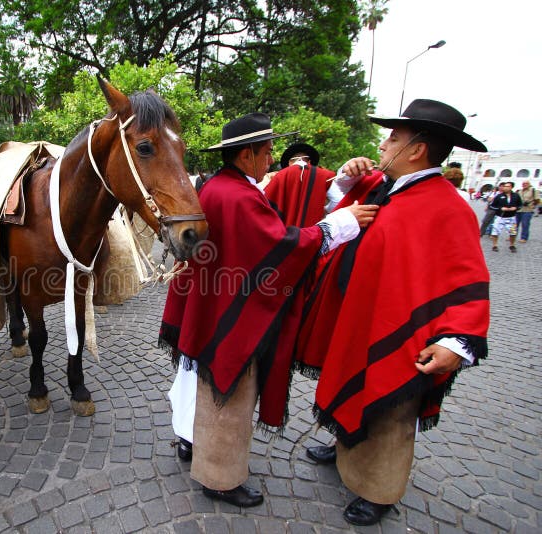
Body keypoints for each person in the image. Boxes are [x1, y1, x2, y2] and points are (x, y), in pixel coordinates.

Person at [159, 113, 378, 508]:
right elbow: (280, 246)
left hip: (215, 306)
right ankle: (220, 478)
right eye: (266, 151)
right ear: (246, 155)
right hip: (234, 317)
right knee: (230, 396)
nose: (271, 158)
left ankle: (194, 445)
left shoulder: (223, 187)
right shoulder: (238, 195)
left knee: (206, 389)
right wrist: (339, 223)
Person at [295, 99, 490, 526]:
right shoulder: (384, 187)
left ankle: (378, 489)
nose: (383, 145)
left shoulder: (448, 207)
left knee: (389, 412)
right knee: (352, 388)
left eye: (393, 138)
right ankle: (347, 441)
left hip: (400, 334)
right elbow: (331, 213)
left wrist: (456, 340)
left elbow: (470, 282)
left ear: (417, 149)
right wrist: (346, 179)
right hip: (357, 320)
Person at [263, 142, 336, 227]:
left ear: (290, 162)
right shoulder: (325, 175)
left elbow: (265, 205)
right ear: (309, 161)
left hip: (286, 235)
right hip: (315, 233)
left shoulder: (278, 176)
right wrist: (323, 212)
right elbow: (337, 201)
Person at [489, 181, 522, 252]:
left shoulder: (516, 196)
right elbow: (492, 206)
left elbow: (520, 205)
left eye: (507, 186)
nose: (505, 188)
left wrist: (515, 208)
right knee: (495, 231)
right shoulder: (499, 196)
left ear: (511, 187)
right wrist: (500, 208)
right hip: (500, 217)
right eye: (504, 186)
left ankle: (512, 245)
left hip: (511, 217)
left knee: (513, 232)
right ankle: (494, 245)